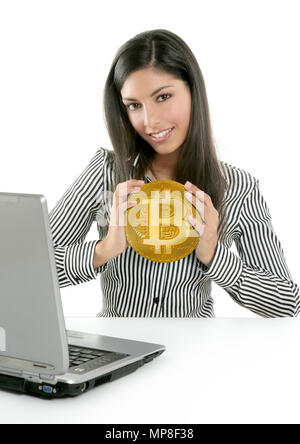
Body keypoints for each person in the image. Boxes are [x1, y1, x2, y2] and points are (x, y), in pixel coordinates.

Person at [49, 29, 299, 317]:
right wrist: (103, 250)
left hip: (195, 352)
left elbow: (288, 304)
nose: (150, 121)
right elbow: (27, 268)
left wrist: (214, 255)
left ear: (193, 91)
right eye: (134, 105)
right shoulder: (106, 172)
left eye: (163, 96)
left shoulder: (238, 188)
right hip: (119, 349)